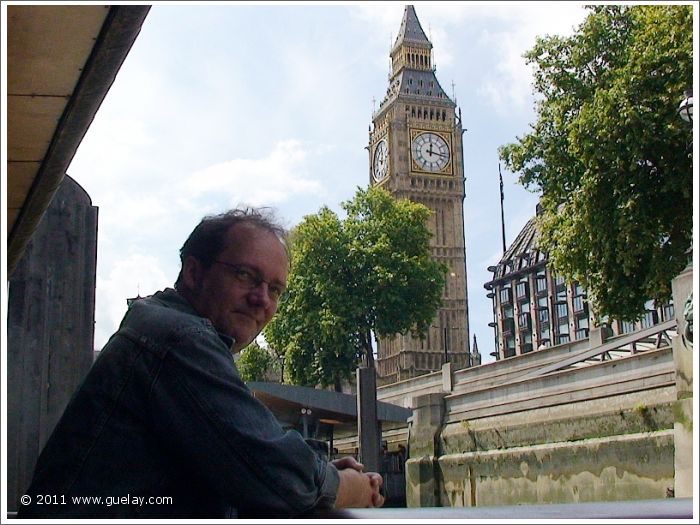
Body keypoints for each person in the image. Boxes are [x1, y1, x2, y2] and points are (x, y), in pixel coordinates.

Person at [18, 209, 384, 518]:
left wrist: (316, 472)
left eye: (275, 289)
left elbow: (248, 455)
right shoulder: (178, 339)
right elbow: (272, 476)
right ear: (194, 273)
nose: (262, 300)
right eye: (246, 276)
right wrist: (347, 488)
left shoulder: (164, 328)